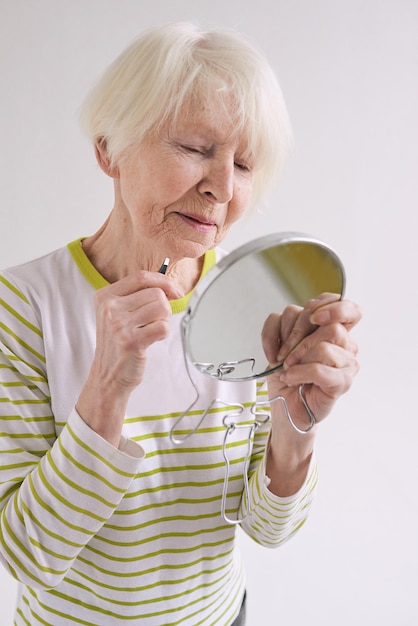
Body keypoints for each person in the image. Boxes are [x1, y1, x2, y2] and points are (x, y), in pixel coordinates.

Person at [0, 21, 361, 626]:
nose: (221, 187)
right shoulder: (21, 307)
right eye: (195, 147)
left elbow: (267, 532)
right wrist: (106, 388)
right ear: (108, 150)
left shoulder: (256, 300)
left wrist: (295, 425)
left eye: (244, 164)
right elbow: (25, 556)